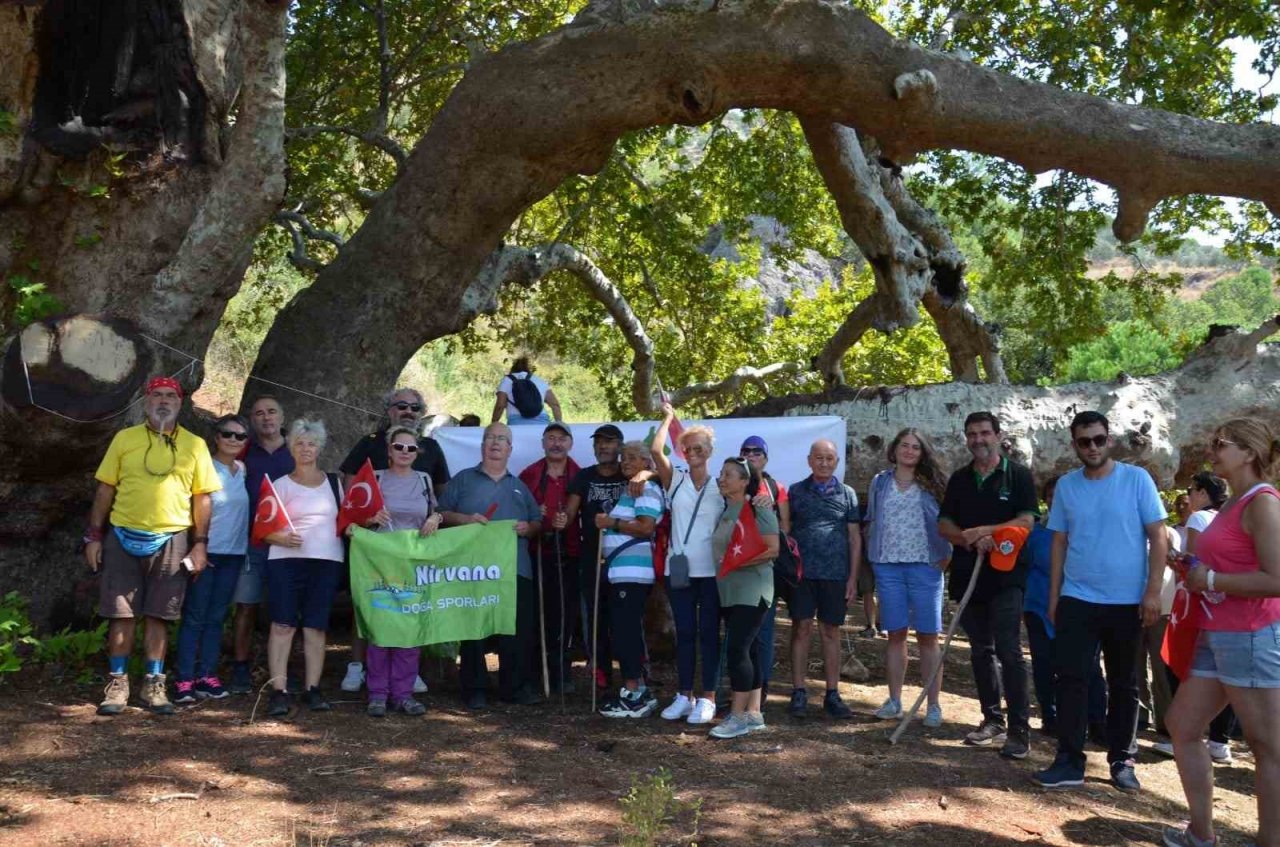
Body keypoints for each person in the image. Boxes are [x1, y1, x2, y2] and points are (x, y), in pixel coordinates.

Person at [1033, 411, 1168, 791]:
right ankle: (1069, 759)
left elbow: (1158, 536)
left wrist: (1153, 591)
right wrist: (1054, 596)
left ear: (1109, 440)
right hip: (1077, 596)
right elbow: (1058, 541)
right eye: (1083, 441)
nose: (1091, 447)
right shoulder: (1067, 486)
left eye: (1097, 439)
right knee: (1071, 677)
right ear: (1074, 445)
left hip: (1128, 600)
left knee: (1124, 682)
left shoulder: (1136, 479)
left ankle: (1122, 759)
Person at [1163, 418, 1280, 847]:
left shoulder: (1263, 502)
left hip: (1251, 635)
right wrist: (1193, 569)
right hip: (1218, 635)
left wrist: (1210, 580)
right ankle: (1201, 833)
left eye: (1221, 443)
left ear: (1249, 453)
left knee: (1268, 748)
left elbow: (1277, 579)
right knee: (1182, 725)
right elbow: (1226, 565)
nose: (1212, 449)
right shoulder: (1234, 503)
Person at [83, 376, 221, 716]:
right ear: (146, 401)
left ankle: (154, 685)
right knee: (121, 614)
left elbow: (202, 499)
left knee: (160, 614)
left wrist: (200, 544)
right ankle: (117, 684)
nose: (163, 401)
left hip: (173, 538)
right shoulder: (124, 439)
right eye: (157, 395)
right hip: (122, 536)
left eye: (170, 396)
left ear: (179, 403)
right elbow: (105, 490)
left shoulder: (195, 445)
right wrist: (94, 537)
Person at [938, 411, 1038, 758]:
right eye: (972, 434)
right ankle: (991, 719)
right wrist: (967, 539)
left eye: (984, 433)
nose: (978, 439)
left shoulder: (1019, 475)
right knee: (981, 650)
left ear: (998, 435)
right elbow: (945, 524)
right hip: (969, 576)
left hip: (1007, 577)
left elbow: (1027, 520)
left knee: (1009, 651)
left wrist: (987, 533)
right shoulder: (960, 479)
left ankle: (1020, 731)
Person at [338, 387, 450, 695]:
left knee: (411, 606)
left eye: (415, 407)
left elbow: (442, 497)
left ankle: (408, 674)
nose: (409, 411)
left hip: (413, 550)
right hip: (375, 547)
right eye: (402, 405)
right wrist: (362, 520)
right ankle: (358, 666)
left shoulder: (431, 447)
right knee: (368, 606)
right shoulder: (369, 444)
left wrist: (437, 519)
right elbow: (351, 497)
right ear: (389, 410)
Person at [439, 423, 543, 709]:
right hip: (473, 568)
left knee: (516, 630)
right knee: (474, 629)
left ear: (510, 449)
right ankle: (475, 688)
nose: (496, 443)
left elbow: (537, 523)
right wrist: (465, 520)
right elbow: (440, 515)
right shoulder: (462, 480)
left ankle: (514, 687)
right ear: (482, 445)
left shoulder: (519, 486)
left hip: (515, 569)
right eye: (490, 438)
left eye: (502, 439)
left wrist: (528, 528)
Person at [863, 428, 952, 728]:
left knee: (928, 636)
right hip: (887, 566)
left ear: (922, 453)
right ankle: (894, 701)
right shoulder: (880, 482)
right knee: (895, 634)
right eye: (905, 445)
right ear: (895, 448)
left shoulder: (933, 484)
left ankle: (934, 705)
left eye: (916, 447)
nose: (909, 451)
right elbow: (871, 520)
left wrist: (945, 557)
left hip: (926, 566)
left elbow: (949, 521)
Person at [354, 426, 442, 717]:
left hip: (413, 563)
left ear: (418, 453)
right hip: (378, 563)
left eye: (411, 448)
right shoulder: (374, 478)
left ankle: (403, 694)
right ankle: (378, 693)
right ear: (389, 450)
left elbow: (435, 512)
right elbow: (350, 521)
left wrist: (436, 518)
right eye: (399, 447)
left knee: (408, 632)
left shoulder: (425, 480)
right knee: (380, 629)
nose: (405, 452)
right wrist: (370, 519)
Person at [643, 405, 723, 724]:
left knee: (708, 634)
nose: (692, 453)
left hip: (713, 573)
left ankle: (710, 697)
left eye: (699, 448)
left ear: (710, 452)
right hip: (680, 573)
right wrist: (667, 417)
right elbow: (653, 449)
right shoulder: (675, 480)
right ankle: (684, 695)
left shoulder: (723, 485)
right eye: (687, 448)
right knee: (686, 634)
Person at [1152, 472, 1240, 761]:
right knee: (1222, 675)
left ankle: (1183, 734)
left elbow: (1193, 562)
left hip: (1195, 605)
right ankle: (1219, 741)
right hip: (1227, 606)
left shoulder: (1199, 519)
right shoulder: (1229, 518)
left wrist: (1172, 556)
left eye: (1191, 490)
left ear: (1203, 493)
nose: (1187, 497)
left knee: (1181, 664)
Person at [263, 419, 345, 717]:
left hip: (326, 562)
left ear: (319, 448)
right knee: (282, 624)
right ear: (291, 448)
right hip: (285, 562)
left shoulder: (335, 484)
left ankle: (313, 689)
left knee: (315, 626)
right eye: (300, 443)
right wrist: (281, 537)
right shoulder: (279, 485)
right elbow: (261, 530)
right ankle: (278, 691)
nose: (306, 449)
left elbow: (349, 521)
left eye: (311, 443)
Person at [1023, 476, 1109, 739]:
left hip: (1081, 606)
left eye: (1059, 495)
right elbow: (1023, 567)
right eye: (1050, 496)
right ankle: (1051, 718)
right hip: (1038, 607)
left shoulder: (1088, 529)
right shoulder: (1034, 533)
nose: (1054, 500)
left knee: (1090, 668)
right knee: (1044, 665)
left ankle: (1097, 723)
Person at [174, 414, 251, 704]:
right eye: (227, 434)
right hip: (205, 551)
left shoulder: (242, 470)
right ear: (216, 437)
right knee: (194, 616)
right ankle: (184, 679)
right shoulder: (203, 467)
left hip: (233, 554)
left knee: (217, 617)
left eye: (240, 436)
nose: (233, 440)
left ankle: (206, 675)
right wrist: (197, 547)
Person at [786, 438, 861, 720]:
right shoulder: (795, 492)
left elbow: (854, 538)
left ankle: (832, 693)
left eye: (829, 458)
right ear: (809, 460)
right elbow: (787, 531)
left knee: (831, 631)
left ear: (837, 462)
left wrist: (853, 578)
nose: (824, 463)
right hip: (803, 575)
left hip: (835, 574)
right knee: (801, 629)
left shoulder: (848, 494)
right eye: (819, 458)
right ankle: (798, 691)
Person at [709, 457, 780, 738]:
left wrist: (738, 563)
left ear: (743, 481)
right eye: (721, 474)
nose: (722, 479)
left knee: (737, 650)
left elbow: (773, 549)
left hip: (753, 591)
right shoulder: (728, 509)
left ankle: (737, 717)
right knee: (748, 651)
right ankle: (754, 714)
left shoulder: (757, 507)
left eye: (728, 475)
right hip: (730, 592)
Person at [229, 395, 294, 694]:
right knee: (246, 604)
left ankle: (284, 669)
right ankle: (240, 667)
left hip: (289, 543)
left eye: (272, 412)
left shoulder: (297, 449)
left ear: (282, 417)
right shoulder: (242, 450)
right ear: (252, 420)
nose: (266, 418)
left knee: (287, 607)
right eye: (258, 414)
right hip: (251, 541)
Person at [598, 442, 664, 718]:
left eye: (634, 457)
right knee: (624, 630)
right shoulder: (631, 488)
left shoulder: (644, 488)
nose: (626, 461)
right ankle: (634, 691)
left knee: (626, 632)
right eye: (624, 457)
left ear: (648, 462)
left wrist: (610, 523)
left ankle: (634, 694)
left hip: (632, 574)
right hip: (622, 574)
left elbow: (646, 527)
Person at [562, 424, 629, 692]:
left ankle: (634, 671)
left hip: (626, 557)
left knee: (625, 617)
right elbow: (569, 514)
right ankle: (600, 669)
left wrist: (643, 474)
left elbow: (657, 476)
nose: (603, 446)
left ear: (620, 447)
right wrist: (560, 520)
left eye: (610, 442)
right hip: (592, 556)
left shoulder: (630, 475)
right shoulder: (583, 476)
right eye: (599, 442)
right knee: (595, 617)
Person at [520, 422, 582, 693]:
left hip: (569, 554)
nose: (556, 443)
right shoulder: (530, 474)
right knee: (536, 616)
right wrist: (536, 512)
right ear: (544, 442)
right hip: (535, 553)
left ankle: (561, 673)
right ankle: (535, 674)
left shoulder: (579, 474)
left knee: (565, 617)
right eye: (551, 438)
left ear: (570, 443)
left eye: (562, 439)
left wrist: (565, 519)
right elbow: (518, 511)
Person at [742, 435, 790, 700]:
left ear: (766, 457)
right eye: (746, 451)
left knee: (764, 631)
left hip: (766, 569)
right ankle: (741, 689)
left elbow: (786, 526)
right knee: (739, 633)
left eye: (757, 452)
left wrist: (766, 518)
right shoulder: (730, 484)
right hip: (737, 569)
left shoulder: (775, 487)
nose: (751, 455)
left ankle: (761, 691)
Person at [493, 355, 563, 426]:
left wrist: (493, 423)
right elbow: (555, 405)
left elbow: (500, 406)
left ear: (512, 368)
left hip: (516, 422)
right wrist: (559, 424)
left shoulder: (507, 380)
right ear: (528, 368)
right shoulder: (538, 380)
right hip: (542, 421)